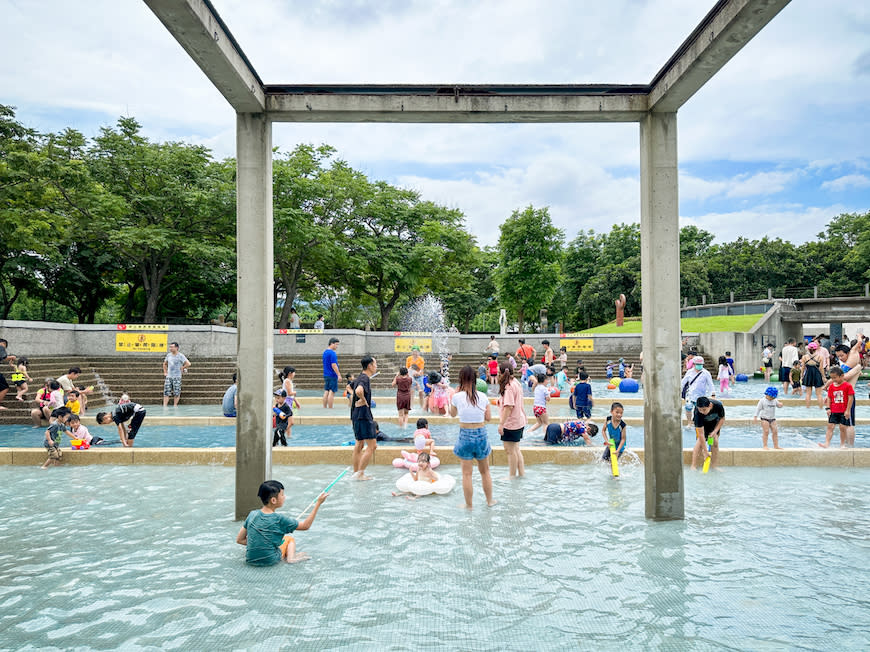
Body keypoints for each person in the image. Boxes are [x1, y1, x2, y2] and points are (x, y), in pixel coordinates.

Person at [236, 480, 328, 565]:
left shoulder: (252, 514)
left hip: (250, 560)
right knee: (289, 539)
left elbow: (239, 540)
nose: (285, 497)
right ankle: (291, 559)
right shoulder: (279, 519)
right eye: (282, 495)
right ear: (273, 500)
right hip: (271, 561)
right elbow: (305, 526)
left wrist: (258, 543)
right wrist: (318, 504)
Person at [449, 366, 495, 509]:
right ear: (475, 379)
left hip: (465, 435)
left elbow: (452, 414)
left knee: (467, 474)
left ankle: (469, 505)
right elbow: (488, 418)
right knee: (485, 471)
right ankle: (489, 502)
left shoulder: (457, 397)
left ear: (461, 379)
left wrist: (455, 396)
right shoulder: (483, 397)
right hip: (481, 434)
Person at [350, 355, 378, 480]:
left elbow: (350, 387)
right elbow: (358, 390)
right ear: (369, 366)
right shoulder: (365, 378)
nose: (376, 367)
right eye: (375, 364)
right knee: (372, 446)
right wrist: (363, 400)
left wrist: (357, 400)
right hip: (363, 415)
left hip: (356, 414)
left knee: (359, 444)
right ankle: (360, 474)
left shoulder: (359, 377)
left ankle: (356, 473)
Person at [497, 362, 526, 479]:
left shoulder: (508, 386)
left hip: (511, 423)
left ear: (501, 373)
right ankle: (521, 473)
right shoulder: (516, 383)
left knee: (510, 450)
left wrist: (501, 424)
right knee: (516, 449)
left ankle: (512, 475)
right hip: (519, 420)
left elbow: (509, 407)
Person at [819, 365, 855, 448]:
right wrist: (828, 408)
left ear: (842, 376)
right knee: (830, 426)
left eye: (835, 378)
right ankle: (827, 443)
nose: (833, 380)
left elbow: (850, 398)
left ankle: (842, 444)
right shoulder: (831, 386)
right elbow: (829, 398)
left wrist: (848, 410)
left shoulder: (847, 386)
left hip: (843, 410)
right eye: (832, 378)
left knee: (842, 427)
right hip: (834, 410)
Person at [691, 396, 725, 471]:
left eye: (704, 410)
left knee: (714, 442)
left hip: (714, 425)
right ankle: (693, 466)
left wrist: (715, 431)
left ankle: (714, 466)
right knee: (699, 443)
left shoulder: (718, 405)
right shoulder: (697, 413)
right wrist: (705, 451)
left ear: (710, 405)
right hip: (702, 425)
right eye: (700, 410)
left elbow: (722, 419)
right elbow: (701, 434)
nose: (702, 412)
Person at [681, 356, 714, 424]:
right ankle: (689, 422)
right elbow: (683, 382)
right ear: (694, 364)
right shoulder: (689, 372)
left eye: (700, 364)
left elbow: (710, 384)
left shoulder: (706, 373)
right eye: (698, 364)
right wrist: (679, 392)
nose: (699, 366)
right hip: (690, 394)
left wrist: (713, 394)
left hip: (700, 395)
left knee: (700, 410)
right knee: (688, 408)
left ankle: (697, 423)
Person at [162, 342, 191, 407]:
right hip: (169, 376)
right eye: (170, 347)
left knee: (176, 392)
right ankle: (164, 405)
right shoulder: (168, 355)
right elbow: (164, 364)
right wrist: (165, 372)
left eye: (172, 347)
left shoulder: (180, 355)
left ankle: (175, 405)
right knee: (166, 391)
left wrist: (182, 367)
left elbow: (188, 363)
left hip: (177, 376)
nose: (170, 348)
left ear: (176, 348)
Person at [799, 342, 826, 409]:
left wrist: (801, 376)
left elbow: (803, 368)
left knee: (808, 394)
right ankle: (821, 408)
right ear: (816, 349)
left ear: (808, 349)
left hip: (808, 374)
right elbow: (821, 368)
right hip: (817, 375)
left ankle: (807, 408)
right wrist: (823, 376)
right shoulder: (820, 357)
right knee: (819, 394)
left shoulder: (804, 357)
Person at [321, 337, 340, 409]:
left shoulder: (325, 352)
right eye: (336, 344)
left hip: (326, 374)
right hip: (332, 375)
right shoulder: (332, 353)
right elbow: (334, 365)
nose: (337, 346)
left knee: (326, 391)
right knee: (332, 392)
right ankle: (330, 408)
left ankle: (324, 407)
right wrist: (338, 375)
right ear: (331, 344)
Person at [0, 338, 17, 409]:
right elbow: (3, 357)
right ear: (4, 344)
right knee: (5, 387)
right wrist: (12, 357)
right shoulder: (1, 346)